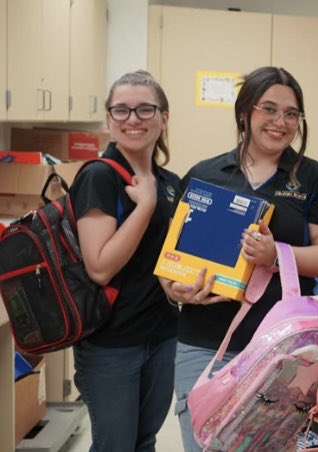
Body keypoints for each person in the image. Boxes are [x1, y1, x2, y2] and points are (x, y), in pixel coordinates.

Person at [161, 66, 318, 452]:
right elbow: (172, 257)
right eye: (269, 109)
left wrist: (275, 256)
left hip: (282, 354)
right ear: (245, 111)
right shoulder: (207, 174)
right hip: (203, 344)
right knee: (201, 442)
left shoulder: (313, 178)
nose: (280, 122)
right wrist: (175, 289)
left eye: (291, 113)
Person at [70, 70, 182, 452]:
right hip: (111, 344)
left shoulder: (170, 182)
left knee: (144, 441)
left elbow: (168, 259)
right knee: (116, 446)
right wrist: (145, 207)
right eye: (121, 110)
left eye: (145, 109)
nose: (133, 119)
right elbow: (99, 266)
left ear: (164, 117)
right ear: (108, 118)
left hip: (162, 336)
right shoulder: (99, 177)